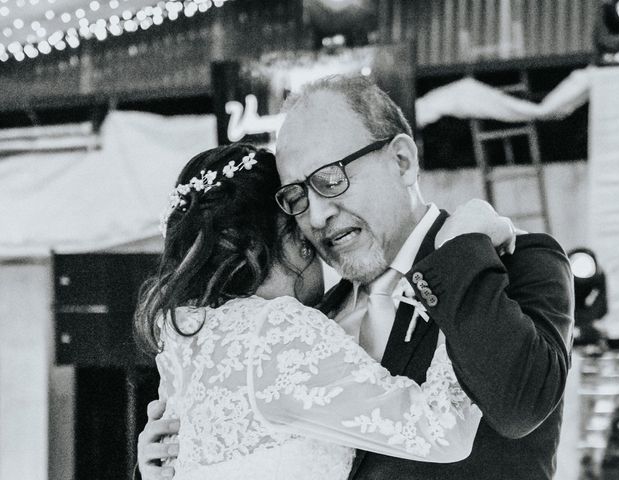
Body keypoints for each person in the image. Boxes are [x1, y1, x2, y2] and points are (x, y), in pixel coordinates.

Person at [138, 75, 574, 480]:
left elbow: (519, 407)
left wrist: (459, 255)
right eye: (297, 195)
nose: (317, 214)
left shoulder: (519, 264)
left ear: (402, 161)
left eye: (330, 179)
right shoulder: (302, 318)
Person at [135, 143, 487, 480]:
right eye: (302, 235)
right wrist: (462, 266)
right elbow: (444, 430)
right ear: (262, 243)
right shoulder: (275, 328)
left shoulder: (183, 337)